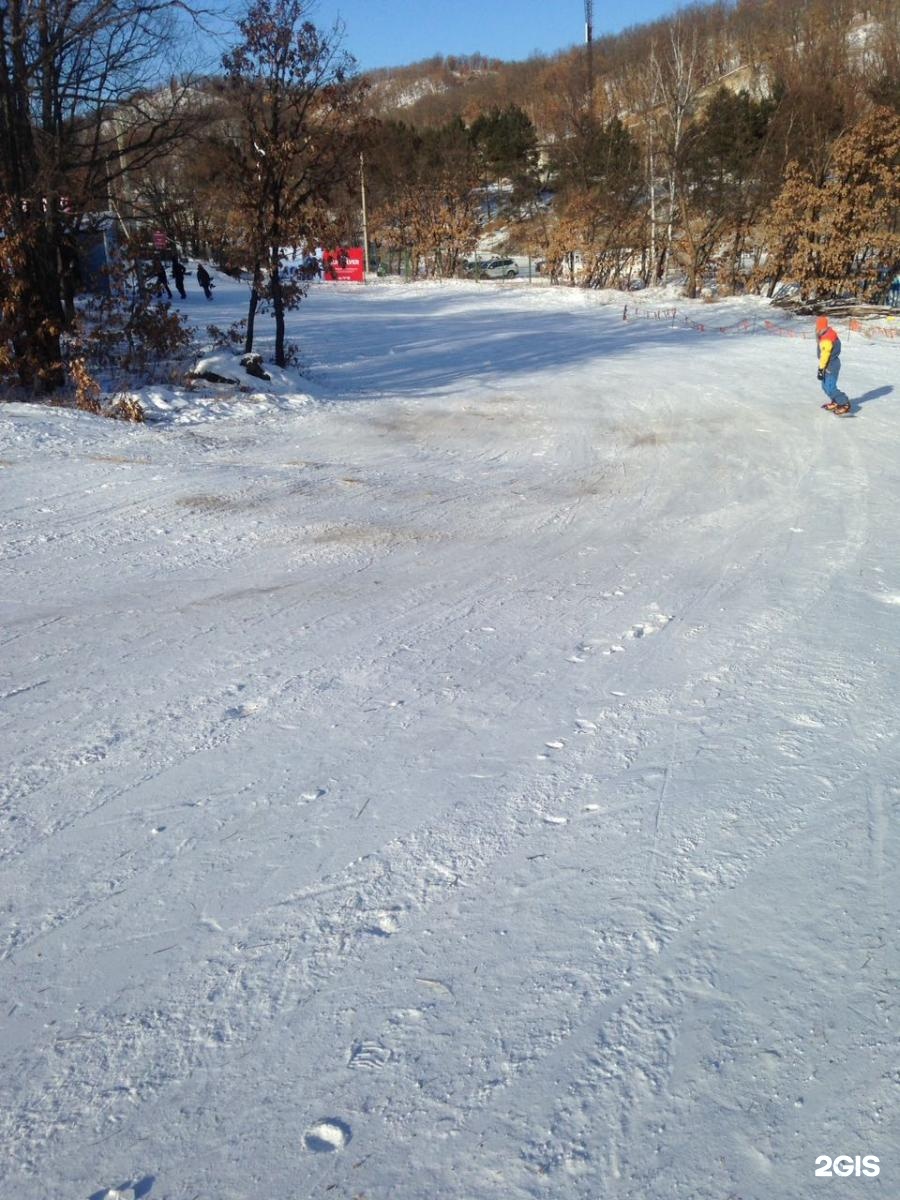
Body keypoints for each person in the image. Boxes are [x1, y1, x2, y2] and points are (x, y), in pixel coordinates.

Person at [815, 315, 850, 415]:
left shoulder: (827, 339)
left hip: (830, 365)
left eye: (820, 328)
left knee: (830, 387)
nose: (818, 330)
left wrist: (821, 369)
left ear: (824, 328)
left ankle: (844, 403)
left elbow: (825, 356)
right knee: (825, 386)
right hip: (828, 364)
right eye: (817, 328)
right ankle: (836, 401)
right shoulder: (827, 333)